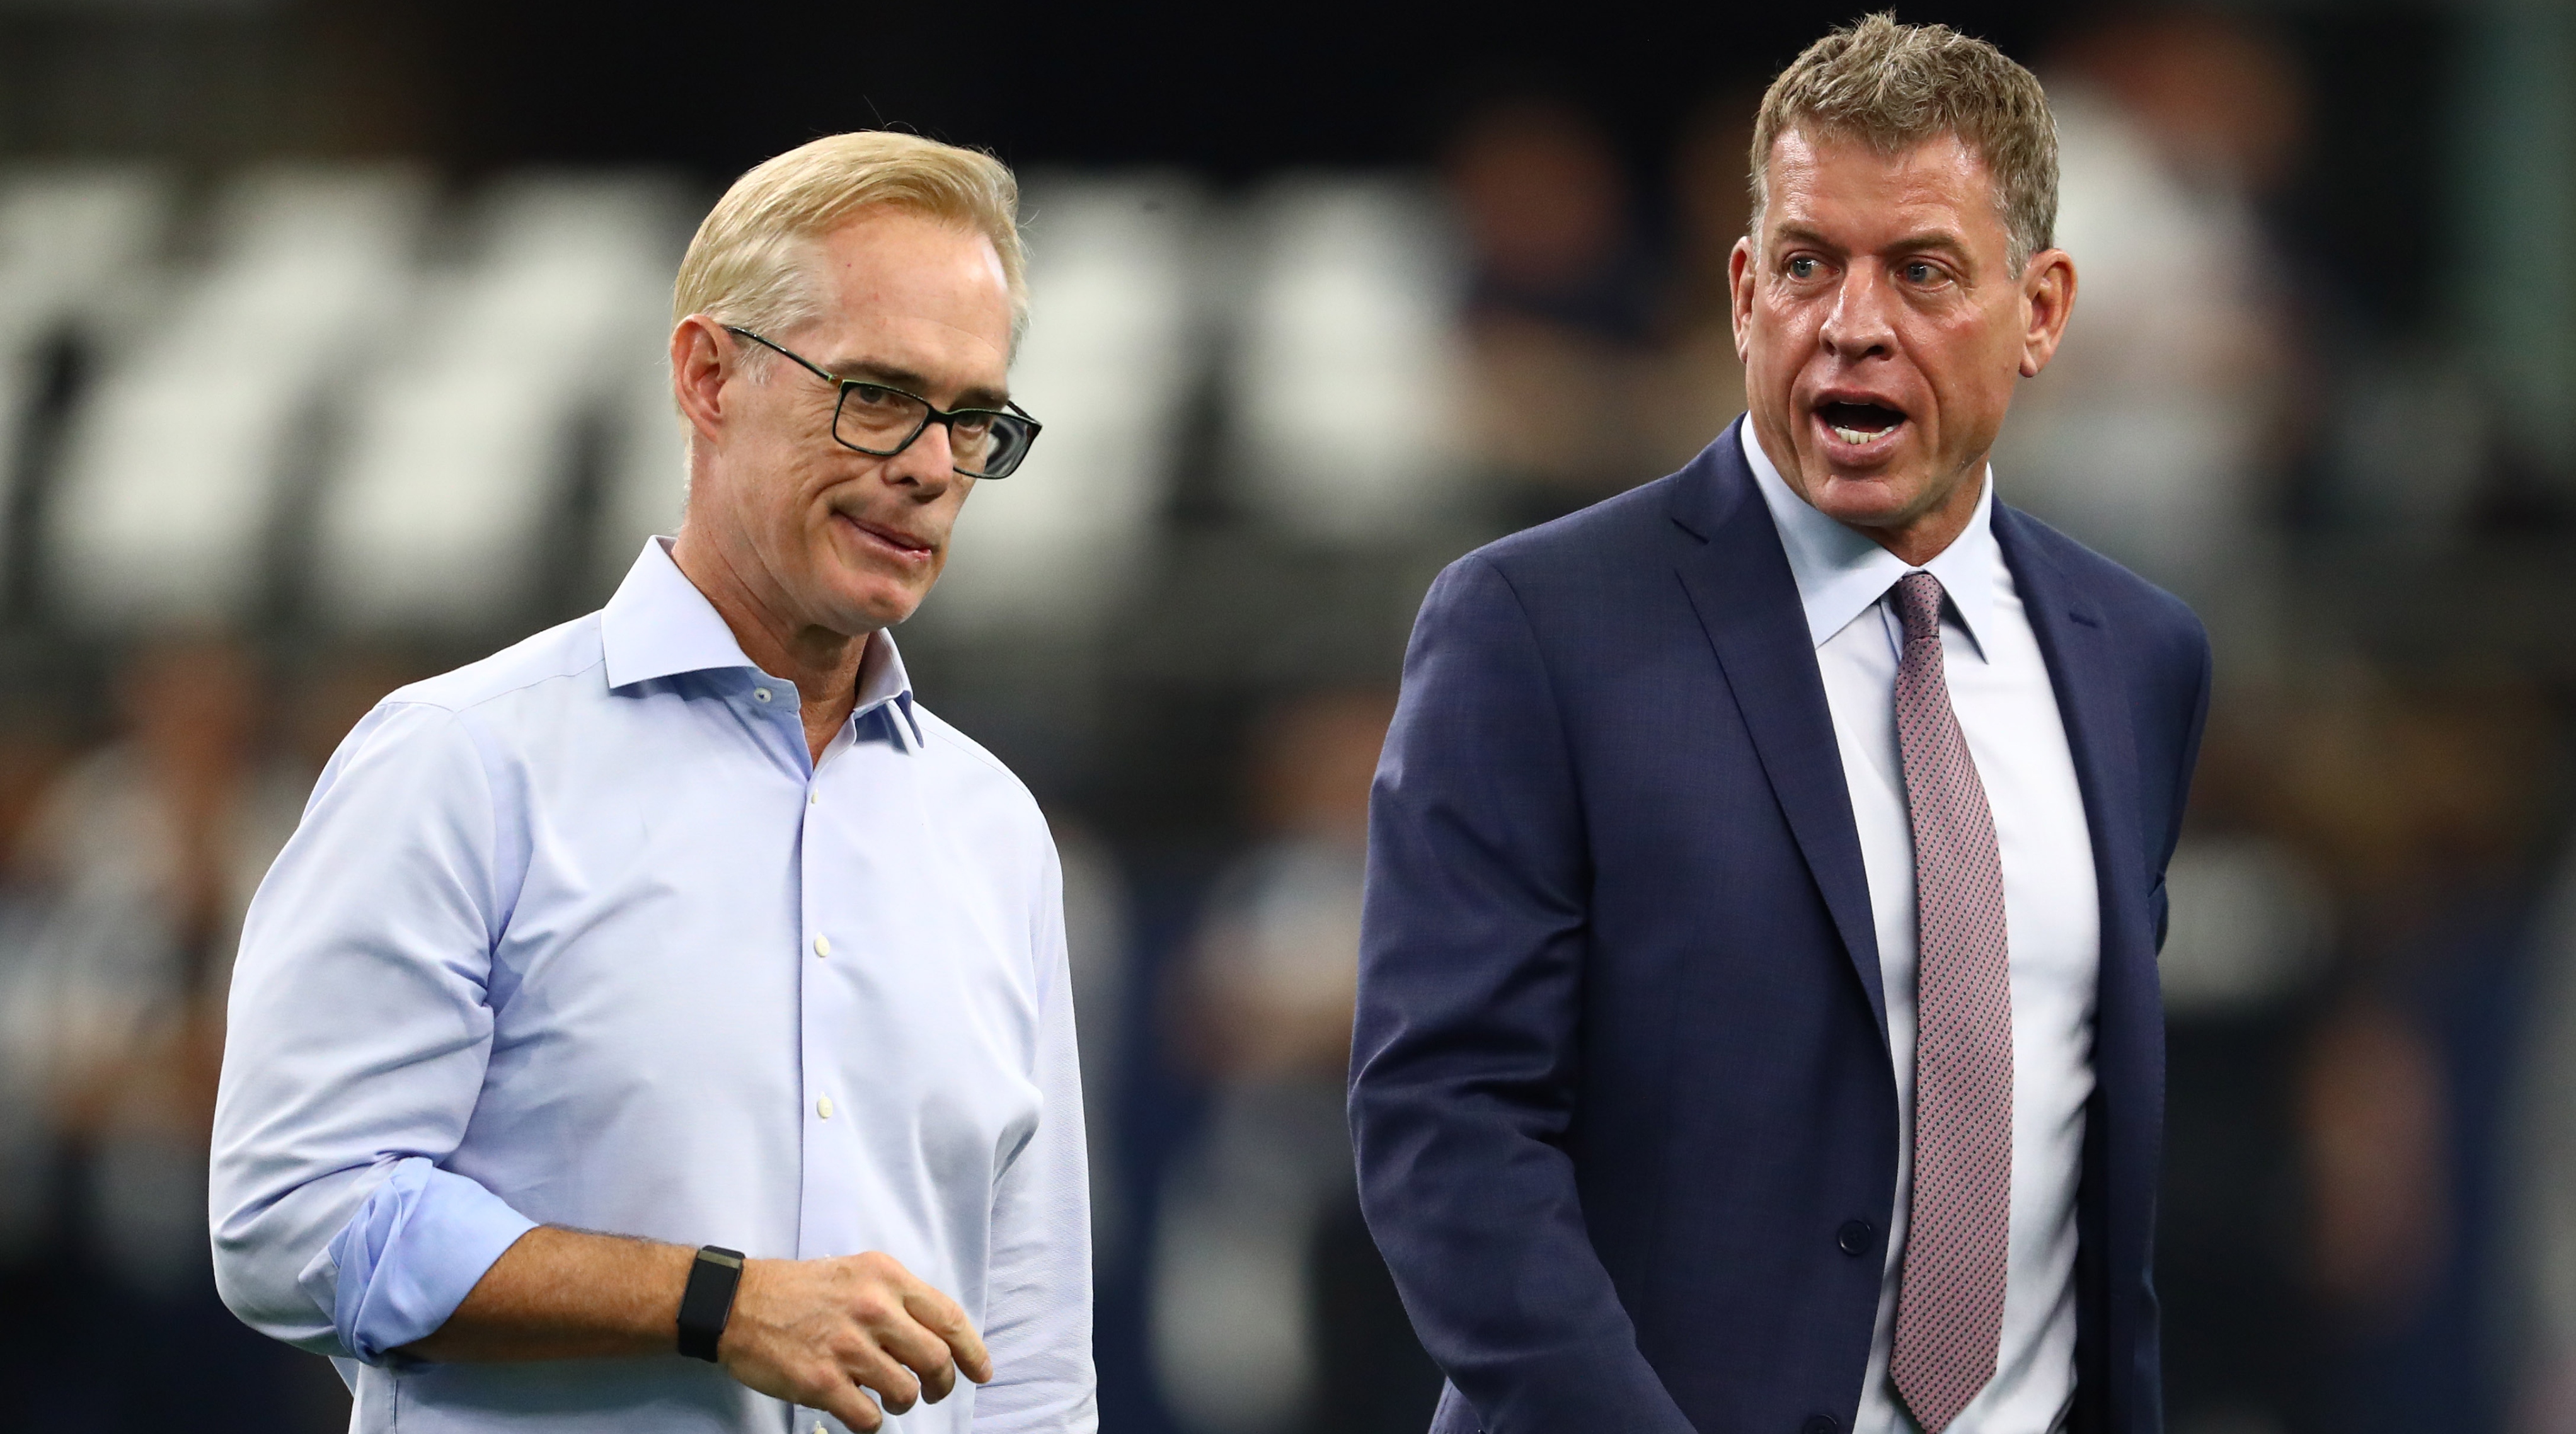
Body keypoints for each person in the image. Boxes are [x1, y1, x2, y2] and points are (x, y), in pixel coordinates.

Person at [1350, 17, 2210, 1434]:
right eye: (1809, 264)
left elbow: (2085, 1156)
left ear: (2041, 310)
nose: (1853, 322)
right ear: (1746, 292)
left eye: (1922, 270)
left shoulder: (2140, 658)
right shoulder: (1536, 628)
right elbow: (1447, 1127)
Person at [209, 132, 1094, 1434]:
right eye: (877, 394)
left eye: (972, 420)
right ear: (708, 376)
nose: (928, 465)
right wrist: (716, 1303)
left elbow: (1028, 1355)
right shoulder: (461, 759)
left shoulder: (994, 831)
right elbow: (293, 1219)